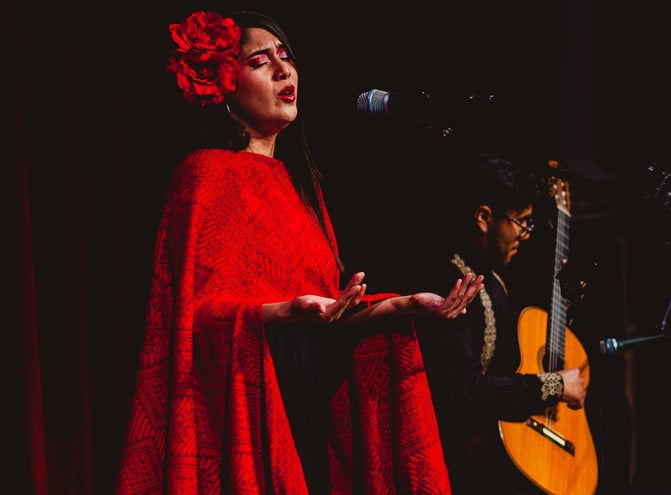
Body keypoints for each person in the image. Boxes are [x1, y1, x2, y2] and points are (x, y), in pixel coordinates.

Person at [114, 10, 484, 495]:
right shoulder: (205, 174)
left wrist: (408, 304)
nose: (284, 70)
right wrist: (291, 308)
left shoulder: (298, 186)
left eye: (286, 58)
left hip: (307, 410)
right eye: (260, 61)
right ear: (223, 84)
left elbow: (328, 308)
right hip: (250, 407)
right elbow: (197, 320)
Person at [407, 151, 589, 495]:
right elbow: (466, 389)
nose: (526, 234)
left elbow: (514, 366)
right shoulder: (446, 281)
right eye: (522, 222)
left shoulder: (491, 281)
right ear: (484, 217)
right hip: (449, 455)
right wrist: (553, 386)